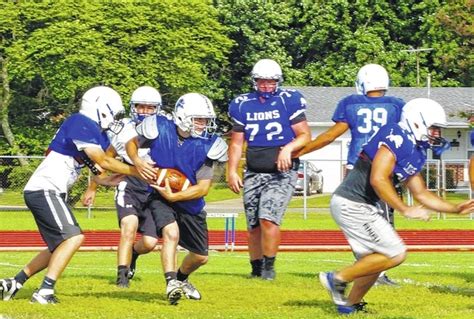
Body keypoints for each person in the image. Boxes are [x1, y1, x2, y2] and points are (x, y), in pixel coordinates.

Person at [318, 98, 474, 314]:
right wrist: (404, 208)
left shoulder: (415, 149)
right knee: (395, 253)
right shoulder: (396, 134)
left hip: (363, 205)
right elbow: (378, 178)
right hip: (353, 203)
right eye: (434, 128)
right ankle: (337, 278)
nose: (437, 134)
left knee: (376, 261)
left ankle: (349, 306)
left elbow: (420, 193)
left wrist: (455, 208)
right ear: (417, 122)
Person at [0, 86, 150, 304]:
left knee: (59, 245)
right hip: (44, 188)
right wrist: (138, 171)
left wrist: (102, 180)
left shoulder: (94, 131)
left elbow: (100, 167)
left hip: (51, 190)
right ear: (100, 108)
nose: (115, 119)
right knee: (74, 238)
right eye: (113, 113)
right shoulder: (80, 121)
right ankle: (45, 292)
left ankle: (15, 282)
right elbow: (104, 160)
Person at [296, 64, 405, 286]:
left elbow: (329, 137)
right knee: (383, 219)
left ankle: (369, 266)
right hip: (384, 168)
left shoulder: (350, 104)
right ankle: (376, 271)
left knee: (361, 219)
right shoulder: (397, 106)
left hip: (358, 165)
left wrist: (302, 150)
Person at [126, 92, 228, 305]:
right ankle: (171, 282)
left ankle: (181, 279)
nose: (204, 124)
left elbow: (203, 188)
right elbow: (132, 144)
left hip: (190, 203)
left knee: (200, 257)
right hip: (159, 194)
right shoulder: (160, 127)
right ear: (183, 116)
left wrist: (176, 195)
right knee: (170, 233)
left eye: (206, 120)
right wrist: (137, 161)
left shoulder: (207, 144)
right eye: (199, 119)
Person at [227, 59, 311, 280]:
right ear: (255, 81)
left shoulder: (288, 101)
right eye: (262, 81)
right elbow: (236, 143)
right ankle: (255, 270)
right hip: (254, 170)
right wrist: (232, 170)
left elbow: (305, 135)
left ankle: (269, 270)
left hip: (281, 172)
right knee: (253, 224)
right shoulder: (243, 103)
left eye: (271, 82)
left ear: (278, 81)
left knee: (268, 218)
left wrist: (288, 149)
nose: (266, 86)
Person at [82, 86, 165, 288]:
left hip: (154, 188)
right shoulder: (122, 129)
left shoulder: (165, 129)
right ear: (132, 107)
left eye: (149, 107)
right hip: (129, 184)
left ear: (158, 109)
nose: (144, 111)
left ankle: (133, 254)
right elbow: (104, 160)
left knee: (149, 242)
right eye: (140, 106)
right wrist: (93, 186)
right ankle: (122, 276)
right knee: (129, 227)